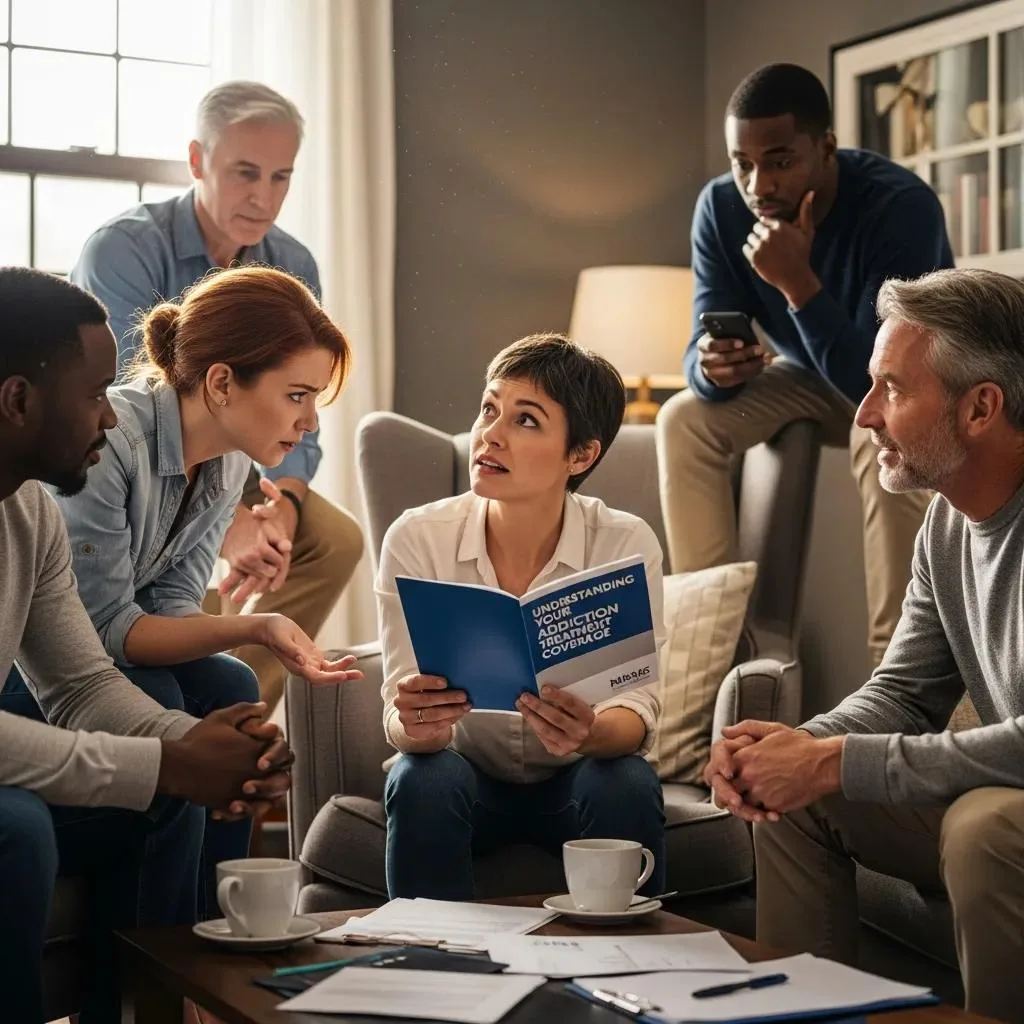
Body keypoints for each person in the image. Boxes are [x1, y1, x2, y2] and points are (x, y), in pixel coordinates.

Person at [704, 268, 1024, 1023]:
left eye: (891, 389)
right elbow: (905, 694)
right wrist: (794, 749)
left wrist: (832, 759)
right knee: (794, 796)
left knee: (986, 827)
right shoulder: (947, 525)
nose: (865, 415)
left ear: (981, 407)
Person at [13, 264, 362, 921]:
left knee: (228, 687)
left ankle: (215, 936)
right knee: (167, 692)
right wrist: (256, 628)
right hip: (51, 670)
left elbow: (159, 618)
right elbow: (106, 635)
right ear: (223, 382)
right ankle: (162, 978)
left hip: (102, 661)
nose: (311, 421)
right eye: (297, 395)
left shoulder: (230, 461)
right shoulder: (104, 445)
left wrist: (219, 740)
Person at [0, 266, 293, 1024]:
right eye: (95, 395)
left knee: (174, 791)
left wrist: (200, 753)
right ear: (17, 401)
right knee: (21, 827)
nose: (108, 417)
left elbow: (82, 684)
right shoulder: (106, 461)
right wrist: (169, 755)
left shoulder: (29, 511)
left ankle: (154, 1010)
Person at [70, 79, 364, 711]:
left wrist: (282, 501)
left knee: (333, 540)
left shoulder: (293, 261)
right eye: (245, 173)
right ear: (199, 161)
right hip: (156, 446)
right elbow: (131, 395)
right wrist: (228, 520)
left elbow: (297, 384)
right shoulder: (124, 250)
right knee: (180, 571)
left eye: (281, 177)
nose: (263, 198)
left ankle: (234, 710)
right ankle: (188, 706)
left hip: (235, 450)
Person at [657, 62, 954, 667]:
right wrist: (710, 369)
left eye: (780, 160)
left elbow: (880, 379)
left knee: (884, 432)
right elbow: (700, 343)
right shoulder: (720, 208)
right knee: (683, 419)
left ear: (825, 149)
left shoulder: (901, 207)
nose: (758, 183)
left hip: (914, 385)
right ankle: (710, 656)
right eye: (743, 163)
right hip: (813, 377)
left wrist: (797, 285)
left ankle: (893, 671)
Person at [377, 334, 666, 899]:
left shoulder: (625, 543)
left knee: (626, 779)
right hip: (463, 780)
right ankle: (425, 958)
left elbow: (638, 710)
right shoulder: (416, 538)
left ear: (580, 455)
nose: (490, 434)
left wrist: (589, 731)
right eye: (490, 409)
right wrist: (414, 726)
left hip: (576, 782)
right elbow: (396, 705)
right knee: (420, 777)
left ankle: (635, 965)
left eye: (526, 421)